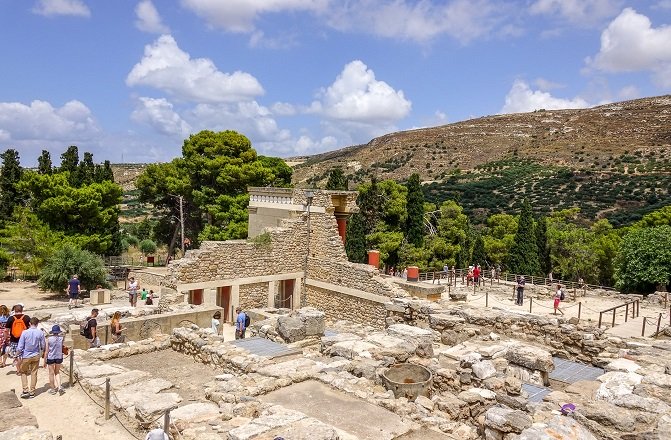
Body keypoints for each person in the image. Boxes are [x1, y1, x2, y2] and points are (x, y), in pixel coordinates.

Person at [17, 317, 45, 398]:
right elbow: (43, 345)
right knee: (34, 373)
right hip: (36, 355)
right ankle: (32, 391)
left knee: (23, 372)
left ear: (29, 323)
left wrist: (16, 354)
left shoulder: (24, 332)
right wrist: (43, 352)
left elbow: (20, 346)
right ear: (37, 324)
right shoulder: (40, 332)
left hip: (26, 355)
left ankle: (25, 390)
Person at [7, 304, 30, 374]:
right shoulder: (26, 317)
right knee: (24, 355)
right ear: (22, 310)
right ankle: (24, 368)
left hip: (14, 340)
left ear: (14, 310)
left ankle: (18, 370)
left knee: (16, 355)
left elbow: (6, 330)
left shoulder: (11, 318)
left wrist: (7, 338)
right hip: (25, 340)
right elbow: (30, 328)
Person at [44, 324, 66, 394]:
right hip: (59, 357)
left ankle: (53, 389)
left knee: (51, 373)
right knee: (57, 372)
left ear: (52, 332)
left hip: (51, 357)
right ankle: (59, 387)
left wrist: (44, 361)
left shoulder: (48, 339)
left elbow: (47, 351)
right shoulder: (62, 338)